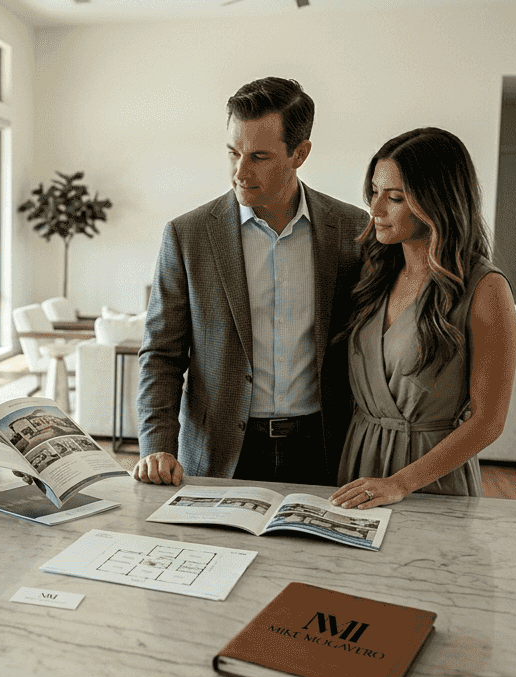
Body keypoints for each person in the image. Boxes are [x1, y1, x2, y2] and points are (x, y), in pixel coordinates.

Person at [133, 77, 367, 487]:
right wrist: (158, 445)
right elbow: (161, 354)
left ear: (300, 153)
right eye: (233, 153)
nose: (240, 172)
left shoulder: (351, 229)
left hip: (324, 451)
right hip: (218, 454)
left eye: (259, 156)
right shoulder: (187, 235)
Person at [330, 127, 516, 509]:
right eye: (374, 192)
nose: (376, 209)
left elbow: (488, 422)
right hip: (359, 465)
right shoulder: (373, 274)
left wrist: (401, 483)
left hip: (431, 480)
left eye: (395, 197)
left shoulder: (485, 289)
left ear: (438, 201)